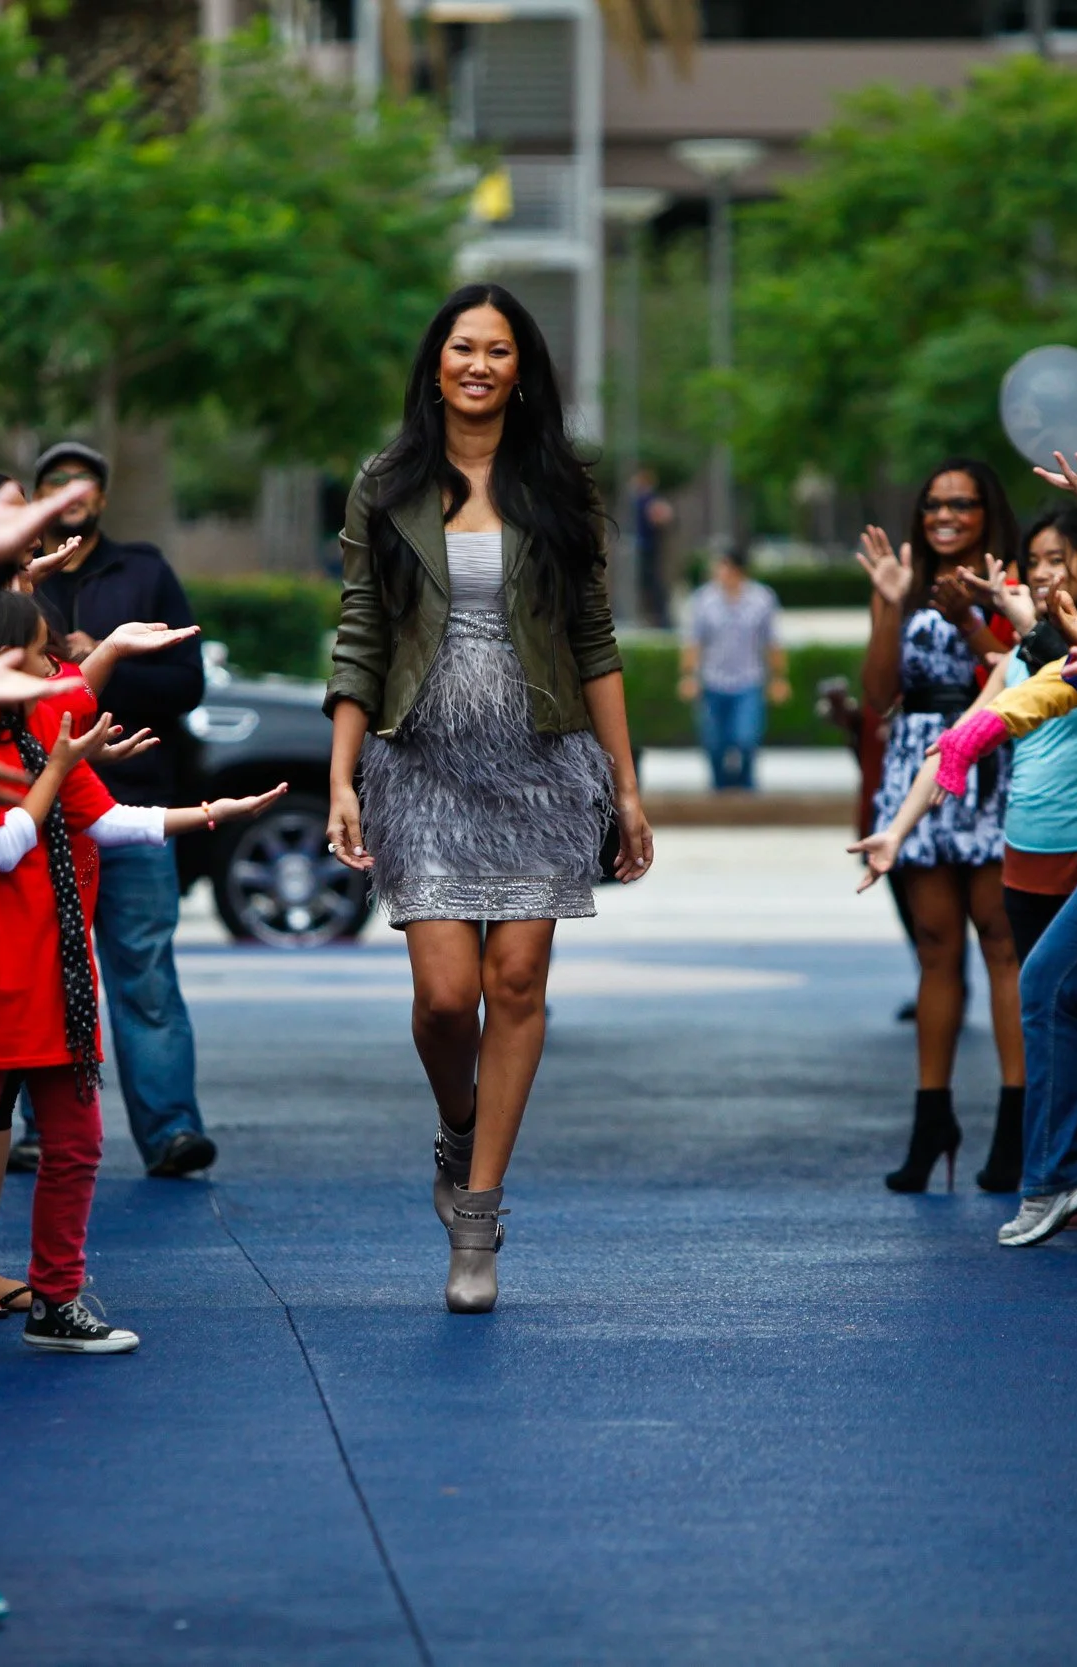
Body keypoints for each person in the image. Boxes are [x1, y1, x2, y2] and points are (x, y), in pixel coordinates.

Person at [324, 282, 654, 1314]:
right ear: (436, 365)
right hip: (419, 762)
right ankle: (460, 1122)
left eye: (498, 349)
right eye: (462, 347)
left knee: (515, 982)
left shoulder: (559, 486)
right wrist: (339, 775)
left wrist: (627, 788)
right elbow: (361, 634)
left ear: (522, 370)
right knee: (440, 999)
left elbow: (594, 641)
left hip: (541, 763)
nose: (478, 363)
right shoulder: (384, 484)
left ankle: (477, 1214)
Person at [0, 591, 276, 1364]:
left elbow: (107, 820)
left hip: (55, 975)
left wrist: (212, 813)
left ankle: (56, 1300)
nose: (49, 665)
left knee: (78, 1141)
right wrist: (60, 766)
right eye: (35, 652)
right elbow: (1, 846)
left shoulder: (36, 730)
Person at [28, 438, 218, 1179]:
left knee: (143, 971)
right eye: (54, 479)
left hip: (134, 800)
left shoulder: (144, 570)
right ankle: (32, 1130)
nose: (70, 489)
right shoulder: (11, 576)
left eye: (83, 480)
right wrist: (73, 668)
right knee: (38, 972)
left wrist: (103, 660)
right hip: (38, 804)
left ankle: (171, 1130)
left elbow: (187, 683)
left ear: (102, 498)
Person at [852, 459, 1025, 1193]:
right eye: (933, 503)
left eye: (962, 502)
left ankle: (1018, 1125)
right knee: (935, 948)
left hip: (989, 752)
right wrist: (890, 604)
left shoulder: (1009, 576)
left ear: (988, 512)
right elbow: (879, 693)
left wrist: (967, 614)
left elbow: (1023, 667)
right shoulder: (903, 576)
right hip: (915, 760)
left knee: (1001, 941)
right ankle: (933, 1120)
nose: (945, 514)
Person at [678, 544, 787, 791]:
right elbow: (694, 643)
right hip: (713, 681)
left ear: (737, 570)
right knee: (714, 744)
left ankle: (746, 788)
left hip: (748, 681)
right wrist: (688, 676)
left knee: (746, 739)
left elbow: (772, 642)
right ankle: (720, 790)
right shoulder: (703, 600)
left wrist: (779, 678)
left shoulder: (762, 599)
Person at [629, 464, 674, 627]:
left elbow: (664, 515)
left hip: (647, 547)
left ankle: (660, 617)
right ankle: (654, 616)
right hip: (644, 546)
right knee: (647, 582)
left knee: (651, 582)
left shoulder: (648, 499)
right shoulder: (640, 500)